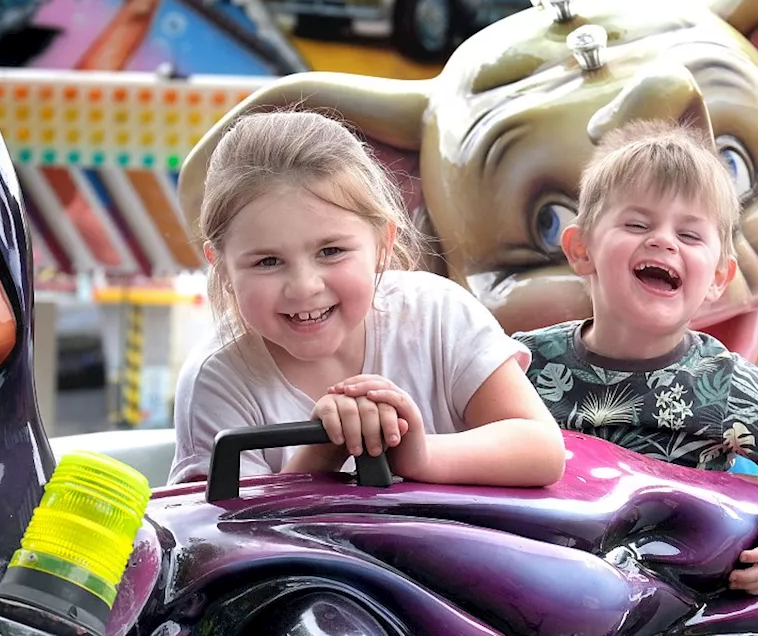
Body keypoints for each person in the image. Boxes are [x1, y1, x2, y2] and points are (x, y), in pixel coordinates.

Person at [512, 119, 758, 596]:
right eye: (637, 224)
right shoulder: (524, 362)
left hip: (669, 600)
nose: (664, 240)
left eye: (691, 235)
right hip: (535, 583)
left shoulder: (724, 384)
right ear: (580, 249)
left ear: (719, 276)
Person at [168, 110, 566, 488]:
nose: (304, 286)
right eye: (268, 261)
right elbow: (232, 537)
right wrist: (321, 453)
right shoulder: (217, 379)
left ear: (382, 244)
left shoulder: (437, 315)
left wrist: (421, 455)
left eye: (331, 252)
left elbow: (542, 449)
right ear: (222, 268)